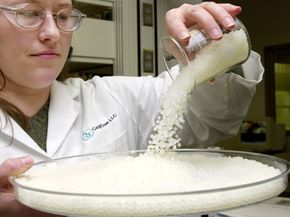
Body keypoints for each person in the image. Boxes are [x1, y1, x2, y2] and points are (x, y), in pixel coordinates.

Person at [0, 0, 263, 216]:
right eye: (29, 13)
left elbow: (214, 120)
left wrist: (216, 45)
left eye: (64, 16)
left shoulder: (112, 97)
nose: (53, 33)